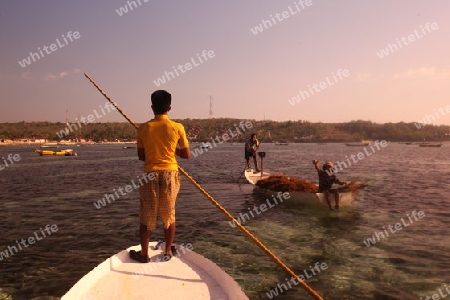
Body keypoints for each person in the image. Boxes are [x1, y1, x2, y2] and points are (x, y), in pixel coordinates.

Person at [130, 90, 191, 263]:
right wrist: (174, 151)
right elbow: (186, 154)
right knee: (169, 214)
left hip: (150, 174)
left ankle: (144, 255)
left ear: (151, 107)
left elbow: (142, 156)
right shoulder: (177, 127)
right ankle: (167, 252)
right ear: (170, 107)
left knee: (146, 216)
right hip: (170, 173)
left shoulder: (143, 128)